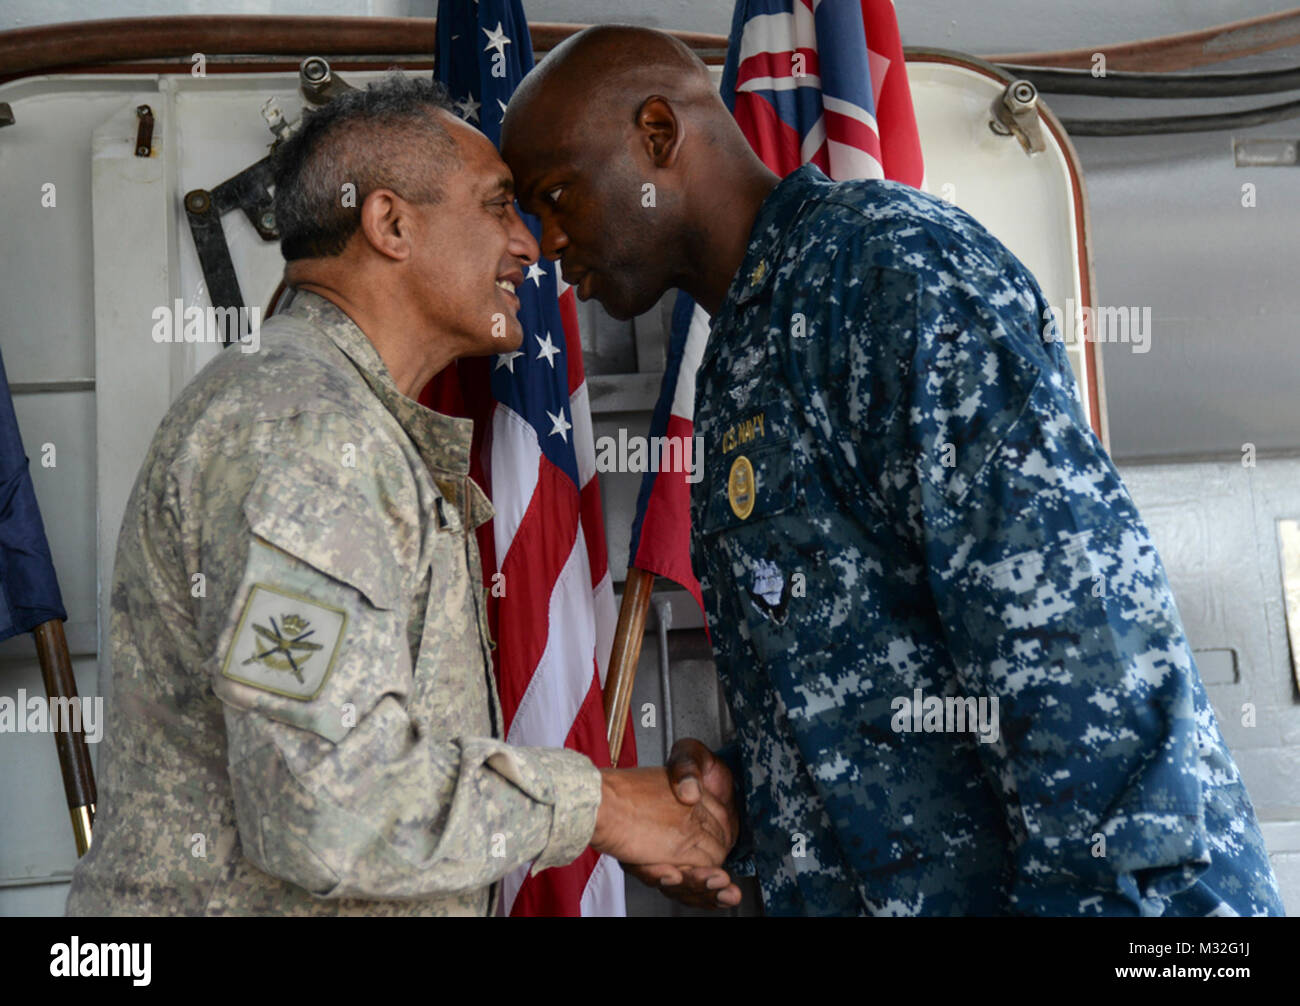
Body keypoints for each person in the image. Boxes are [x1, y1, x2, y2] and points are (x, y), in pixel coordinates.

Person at [501, 26, 1286, 917]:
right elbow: (877, 682)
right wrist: (751, 803)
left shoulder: (887, 272)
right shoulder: (745, 347)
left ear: (656, 135)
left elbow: (1085, 649)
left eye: (557, 194)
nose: (550, 242)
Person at [65, 74, 736, 917]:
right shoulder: (303, 432)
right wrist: (599, 808)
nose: (530, 248)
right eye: (497, 205)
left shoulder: (344, 423)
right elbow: (323, 808)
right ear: (389, 224)